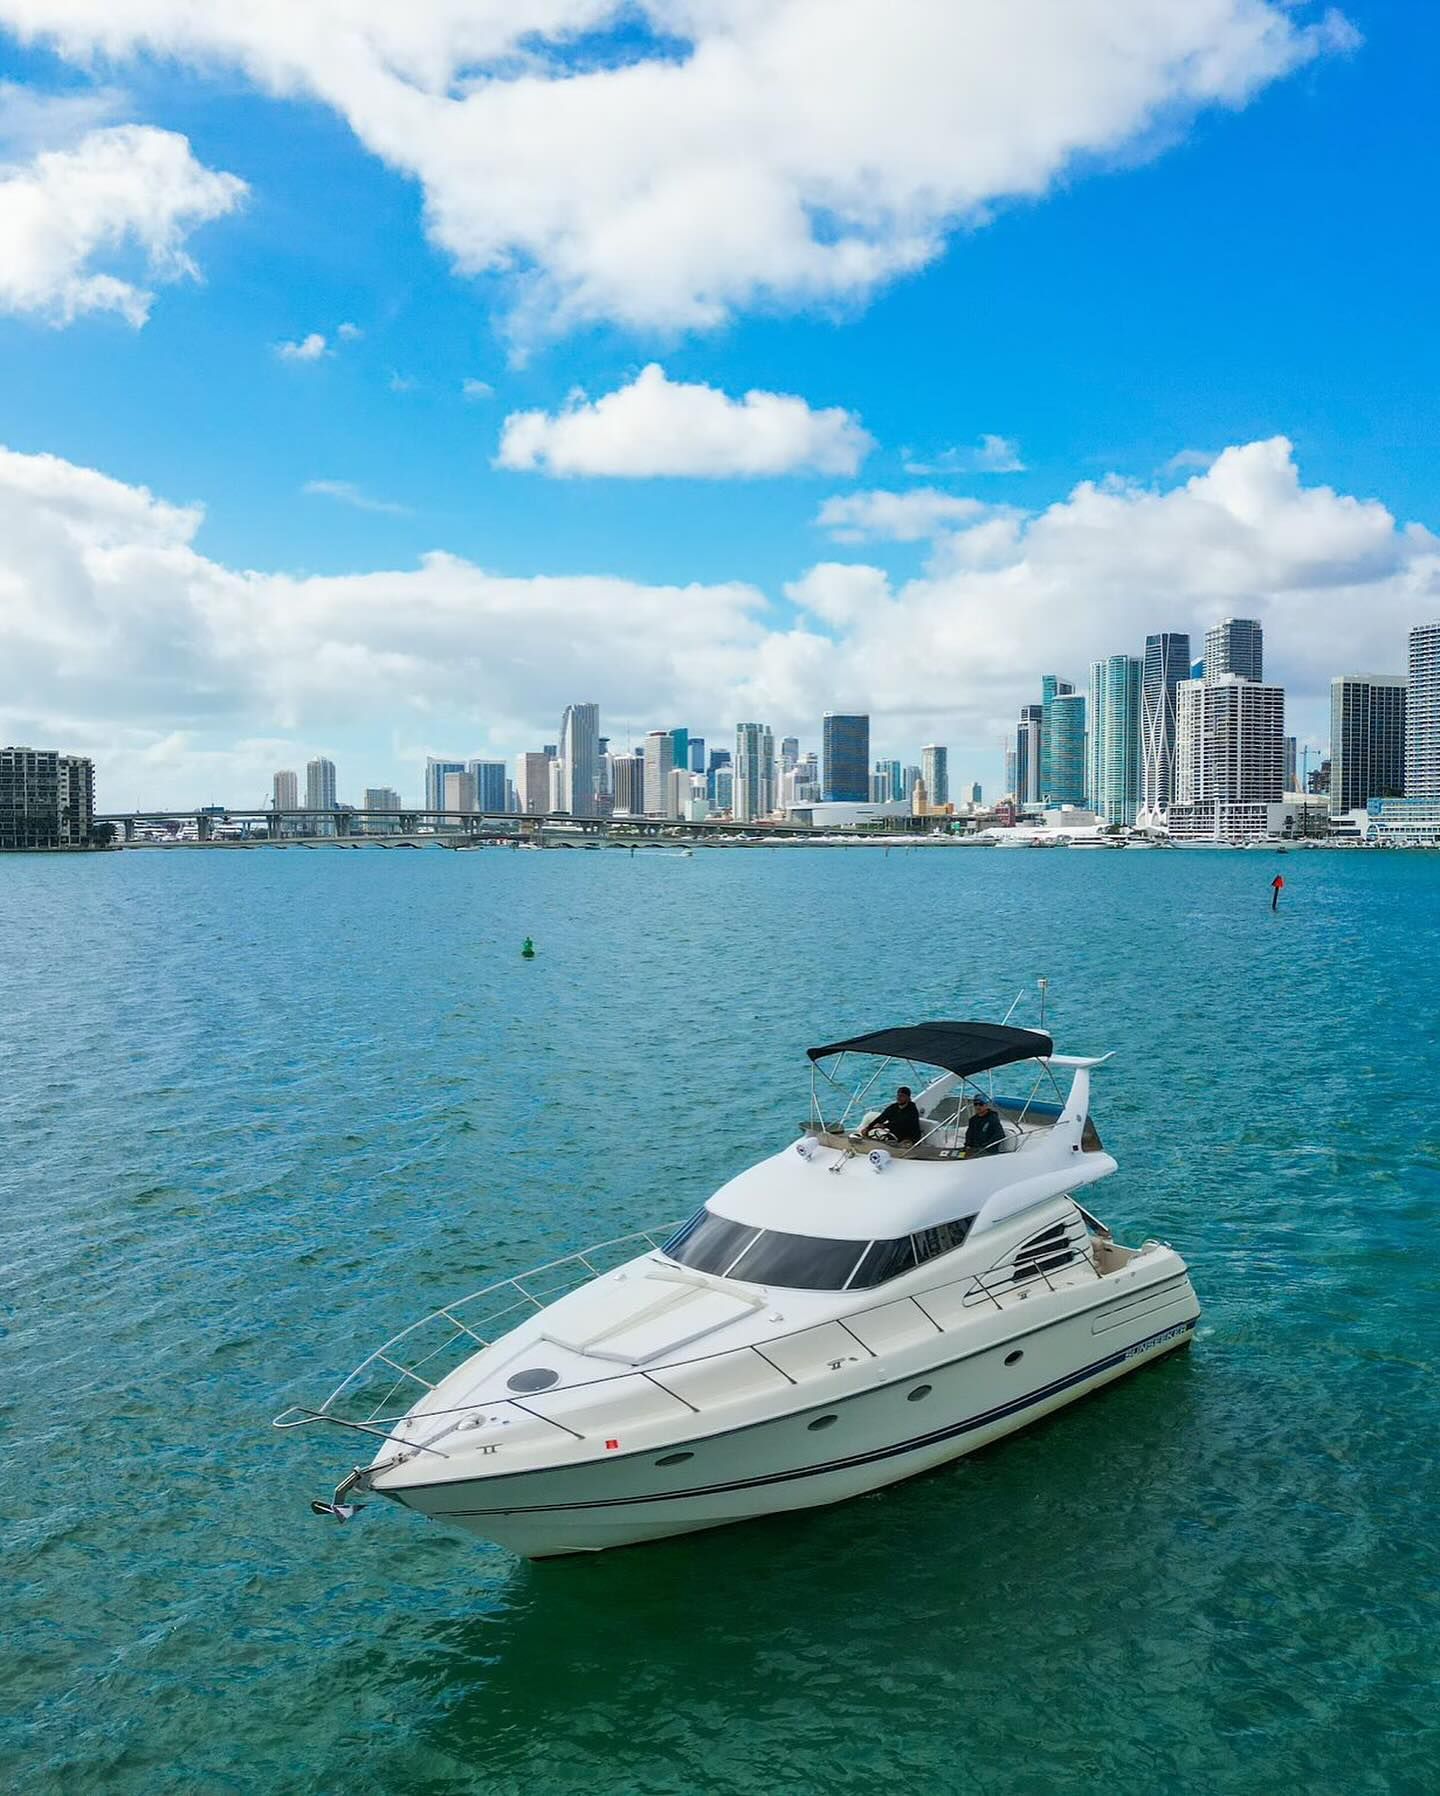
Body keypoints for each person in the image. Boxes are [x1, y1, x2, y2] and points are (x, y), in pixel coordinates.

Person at [962, 1094, 1006, 1158]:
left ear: (986, 1105)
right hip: (974, 1150)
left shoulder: (993, 1119)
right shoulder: (973, 1120)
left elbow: (1000, 1135)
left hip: (987, 1152)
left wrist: (985, 1146)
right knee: (959, 1156)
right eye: (975, 1104)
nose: (978, 1107)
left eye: (981, 1104)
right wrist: (967, 1146)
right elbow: (969, 1134)